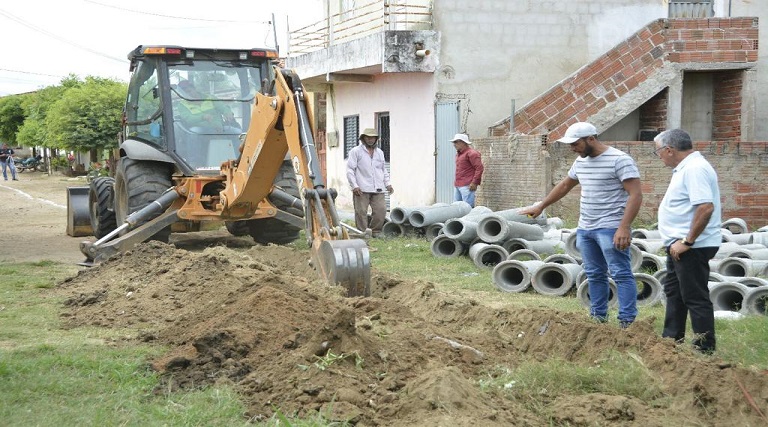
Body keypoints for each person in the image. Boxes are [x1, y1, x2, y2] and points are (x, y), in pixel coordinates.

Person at [520, 122, 642, 327]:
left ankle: (627, 321)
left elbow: (636, 194)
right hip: (586, 228)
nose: (573, 148)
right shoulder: (580, 162)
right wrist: (541, 206)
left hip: (611, 227)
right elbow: (566, 185)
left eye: (575, 144)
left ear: (591, 139)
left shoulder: (620, 160)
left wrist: (624, 226)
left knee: (620, 272)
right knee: (594, 273)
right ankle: (598, 317)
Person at [654, 129, 721, 354]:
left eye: (658, 152)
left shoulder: (694, 169)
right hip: (679, 245)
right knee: (675, 293)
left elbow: (705, 206)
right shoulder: (686, 168)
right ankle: (671, 341)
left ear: (669, 150)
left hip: (692, 246)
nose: (659, 156)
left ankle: (704, 348)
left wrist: (687, 241)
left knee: (694, 296)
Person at [346, 128, 393, 237]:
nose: (370, 140)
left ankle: (375, 231)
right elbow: (350, 170)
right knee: (361, 212)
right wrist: (354, 186)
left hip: (378, 187)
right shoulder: (356, 151)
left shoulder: (379, 152)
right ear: (363, 138)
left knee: (381, 210)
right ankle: (362, 233)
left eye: (373, 137)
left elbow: (383, 169)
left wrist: (388, 184)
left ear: (376, 139)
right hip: (361, 188)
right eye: (368, 137)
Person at [451, 133, 484, 207]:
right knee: (456, 208)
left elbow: (479, 168)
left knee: (467, 208)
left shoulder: (472, 153)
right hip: (458, 185)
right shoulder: (459, 154)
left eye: (456, 142)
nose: (454, 144)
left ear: (463, 142)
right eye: (454, 142)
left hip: (467, 185)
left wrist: (474, 182)